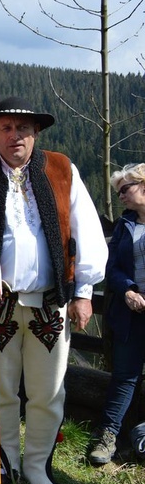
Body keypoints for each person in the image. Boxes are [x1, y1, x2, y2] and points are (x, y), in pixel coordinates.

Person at [0, 96, 107, 484]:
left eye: (24, 129)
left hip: (50, 302)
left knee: (47, 393)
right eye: (7, 128)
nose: (16, 136)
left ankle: (37, 468)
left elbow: (87, 232)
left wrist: (83, 291)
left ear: (36, 134)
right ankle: (6, 462)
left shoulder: (61, 169)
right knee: (1, 390)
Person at [87, 163, 145, 465]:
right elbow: (113, 268)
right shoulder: (125, 226)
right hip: (131, 315)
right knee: (124, 377)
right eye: (118, 192)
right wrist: (127, 290)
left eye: (125, 189)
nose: (120, 196)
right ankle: (108, 437)